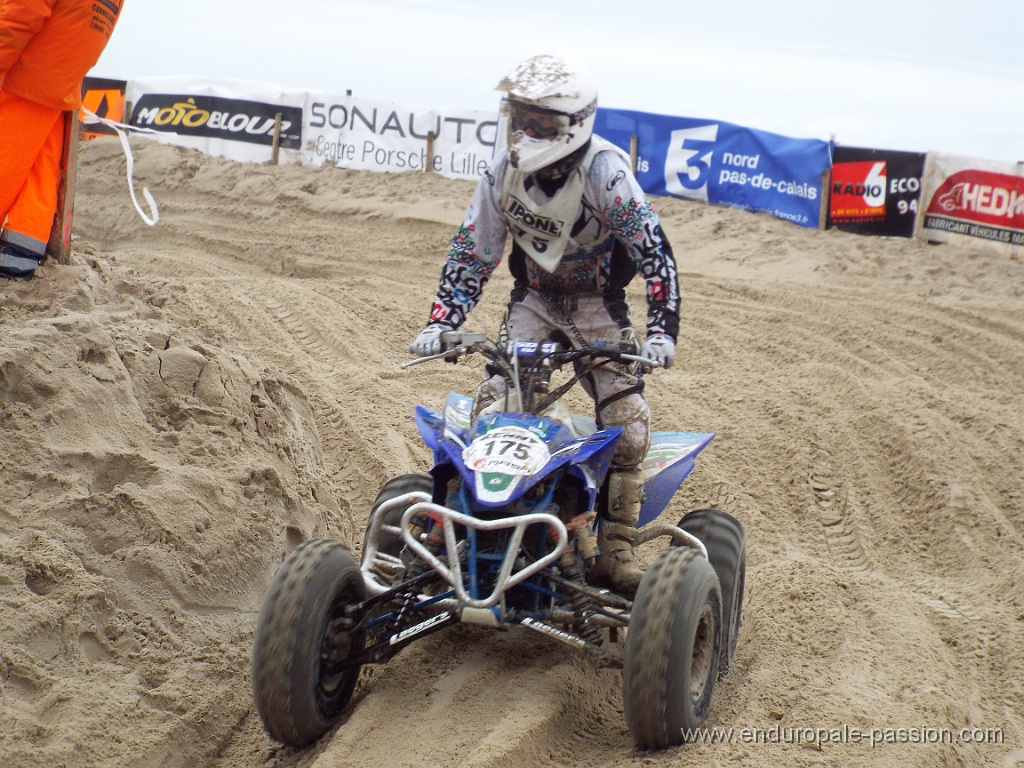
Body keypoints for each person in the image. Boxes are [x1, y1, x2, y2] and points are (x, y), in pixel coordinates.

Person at [409, 54, 680, 597]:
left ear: (574, 124)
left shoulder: (607, 174)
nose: (527, 132)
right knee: (491, 407)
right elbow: (472, 252)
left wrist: (660, 333)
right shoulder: (501, 171)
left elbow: (656, 255)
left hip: (596, 306)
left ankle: (616, 545)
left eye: (541, 123)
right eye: (521, 117)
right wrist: (443, 321)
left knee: (628, 425)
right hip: (532, 300)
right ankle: (453, 530)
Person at [0, 0, 124, 280]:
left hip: (24, 78)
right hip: (60, 86)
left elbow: (19, 15)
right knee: (40, 178)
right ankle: (16, 261)